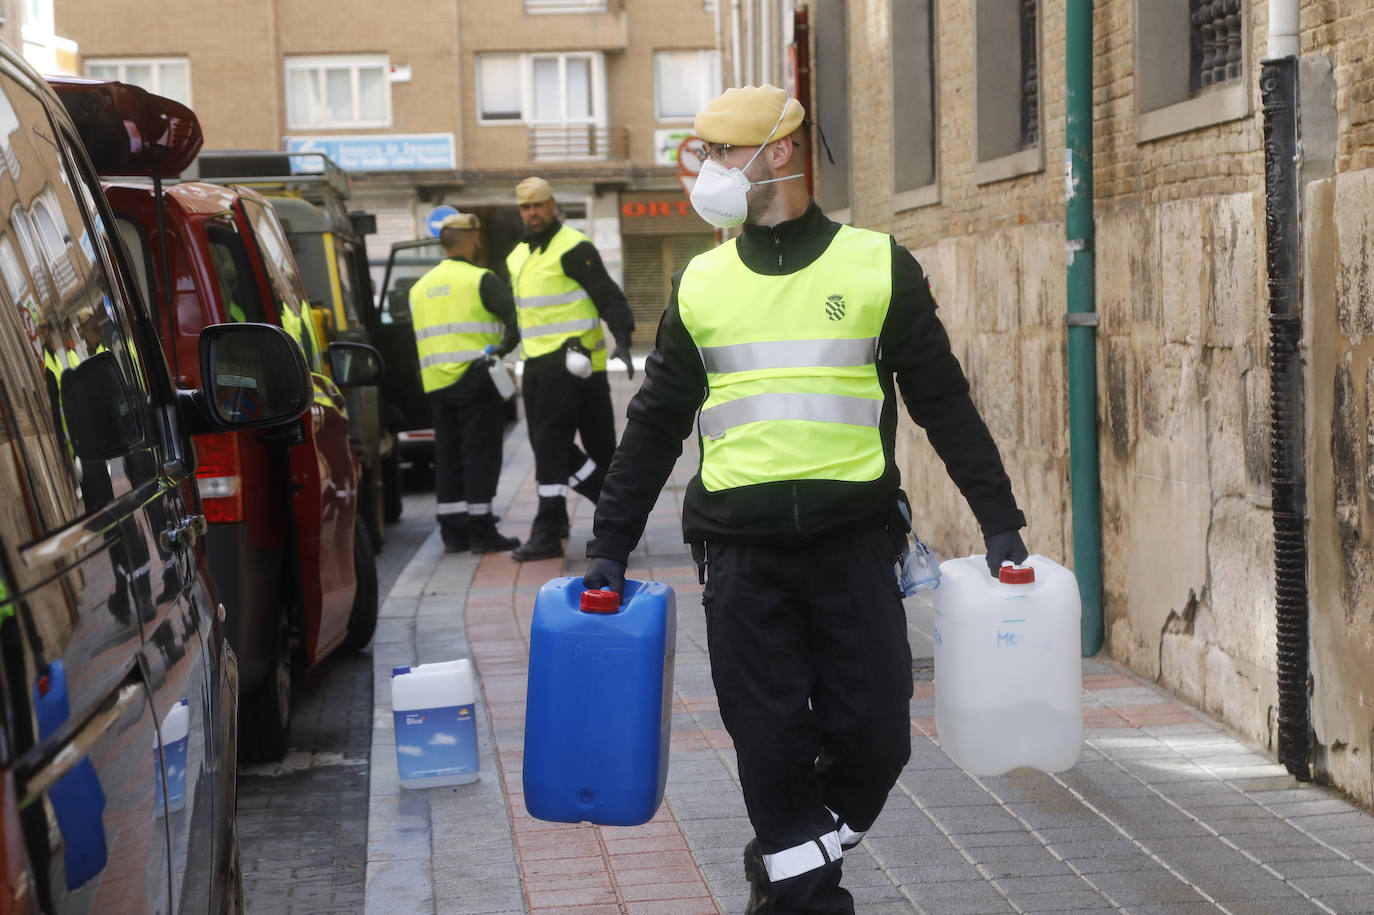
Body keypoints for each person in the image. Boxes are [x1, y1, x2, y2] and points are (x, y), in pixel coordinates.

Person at [581, 85, 1030, 914]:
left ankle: (782, 864)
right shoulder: (701, 283)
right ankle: (811, 896)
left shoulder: (875, 265)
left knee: (877, 743)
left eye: (720, 152)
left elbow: (943, 401)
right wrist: (608, 545)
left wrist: (1000, 520)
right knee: (772, 748)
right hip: (740, 557)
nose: (706, 169)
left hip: (854, 547)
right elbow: (652, 426)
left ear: (778, 152)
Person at [506, 176, 635, 562]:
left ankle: (551, 530)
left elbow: (608, 296)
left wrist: (624, 340)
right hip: (537, 367)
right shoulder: (517, 258)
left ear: (553, 205)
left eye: (538, 205)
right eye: (525, 207)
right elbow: (521, 314)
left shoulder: (574, 247)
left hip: (576, 364)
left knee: (581, 446)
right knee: (551, 445)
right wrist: (502, 346)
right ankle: (608, 514)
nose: (532, 213)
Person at [408, 212, 522, 553]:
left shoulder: (419, 288)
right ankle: (482, 530)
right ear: (471, 239)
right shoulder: (480, 279)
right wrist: (501, 350)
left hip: (437, 385)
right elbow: (517, 319)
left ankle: (453, 533)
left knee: (448, 456)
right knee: (480, 455)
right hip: (475, 379)